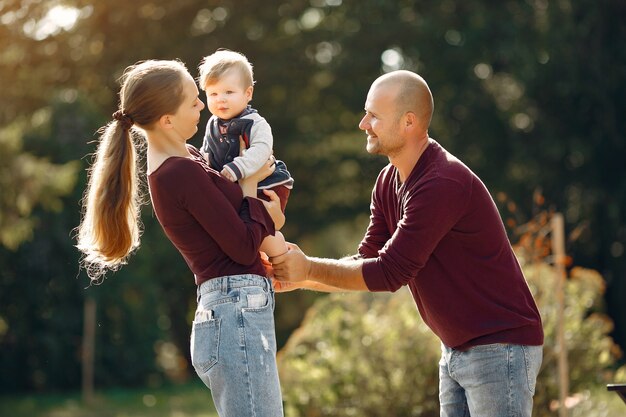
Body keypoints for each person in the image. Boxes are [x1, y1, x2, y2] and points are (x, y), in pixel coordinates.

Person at [271, 70, 544, 417]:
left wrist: (308, 267)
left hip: (500, 347)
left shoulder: (442, 183)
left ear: (408, 122)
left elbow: (389, 273)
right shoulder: (388, 181)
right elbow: (365, 260)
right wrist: (300, 279)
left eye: (373, 115)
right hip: (456, 349)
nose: (362, 123)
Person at [76, 59, 285, 417]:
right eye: (193, 101)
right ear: (167, 120)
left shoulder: (189, 159)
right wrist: (252, 191)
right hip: (235, 312)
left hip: (235, 310)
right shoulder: (179, 173)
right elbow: (243, 245)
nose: (203, 105)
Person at [198, 49, 294, 258]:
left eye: (229, 92)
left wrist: (238, 167)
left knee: (266, 231)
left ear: (248, 94)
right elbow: (207, 151)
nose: (220, 100)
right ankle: (262, 260)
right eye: (213, 94)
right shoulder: (212, 124)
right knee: (241, 228)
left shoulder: (255, 123)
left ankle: (281, 261)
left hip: (266, 184)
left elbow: (262, 149)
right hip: (236, 184)